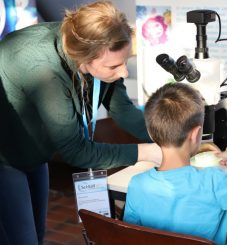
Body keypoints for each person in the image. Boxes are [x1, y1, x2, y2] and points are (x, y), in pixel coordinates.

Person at [0, 1, 162, 244]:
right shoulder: (44, 71)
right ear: (84, 59)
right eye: (114, 66)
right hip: (4, 156)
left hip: (33, 148)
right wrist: (150, 152)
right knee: (23, 240)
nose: (124, 73)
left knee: (37, 234)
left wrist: (169, 139)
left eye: (124, 62)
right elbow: (76, 152)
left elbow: (123, 111)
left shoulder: (95, 48)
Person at [123, 83, 227, 245]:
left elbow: (131, 237)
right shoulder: (214, 182)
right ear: (196, 134)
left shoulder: (137, 185)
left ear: (152, 133)